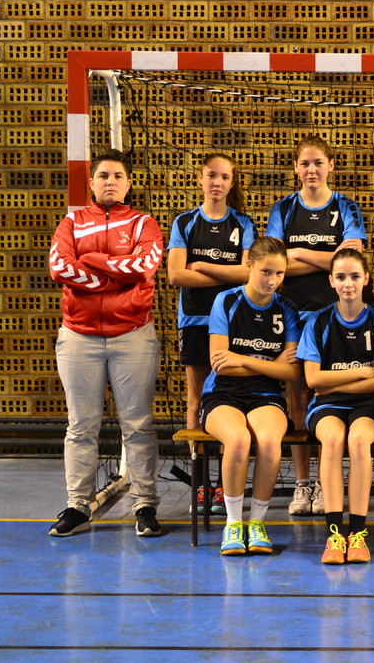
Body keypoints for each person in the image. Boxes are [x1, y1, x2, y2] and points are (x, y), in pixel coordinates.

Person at [48, 149, 164, 538]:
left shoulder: (144, 223)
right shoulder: (72, 222)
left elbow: (143, 267)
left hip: (133, 336)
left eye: (117, 176)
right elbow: (59, 267)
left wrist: (92, 261)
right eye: (103, 175)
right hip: (79, 337)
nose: (110, 181)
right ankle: (79, 506)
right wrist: (114, 275)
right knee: (81, 426)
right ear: (92, 182)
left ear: (128, 183)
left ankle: (145, 505)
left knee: (139, 425)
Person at [266, 135, 367, 517]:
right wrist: (327, 258)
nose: (311, 170)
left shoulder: (345, 206)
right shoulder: (283, 208)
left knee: (327, 397)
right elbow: (276, 264)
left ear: (330, 166)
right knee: (298, 400)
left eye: (318, 162)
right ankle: (303, 483)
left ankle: (326, 483)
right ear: (296, 168)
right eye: (305, 163)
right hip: (293, 316)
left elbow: (350, 260)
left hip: (334, 318)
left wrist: (300, 252)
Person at [167, 152, 257, 516]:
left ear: (232, 183)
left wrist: (202, 265)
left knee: (228, 402)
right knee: (196, 401)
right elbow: (176, 275)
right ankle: (202, 485)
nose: (217, 182)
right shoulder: (185, 222)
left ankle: (223, 486)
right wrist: (225, 271)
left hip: (233, 324)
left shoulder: (243, 223)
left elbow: (248, 274)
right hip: (194, 321)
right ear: (200, 178)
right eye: (211, 175)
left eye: (224, 177)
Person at [201, 237, 301, 555]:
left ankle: (257, 523)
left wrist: (243, 359)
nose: (272, 280)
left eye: (279, 273)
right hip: (222, 394)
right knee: (238, 440)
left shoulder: (286, 309)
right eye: (265, 271)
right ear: (249, 266)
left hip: (265, 395)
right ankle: (233, 524)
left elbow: (291, 373)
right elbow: (221, 364)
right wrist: (271, 365)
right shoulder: (226, 301)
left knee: (270, 442)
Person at [296, 249, 374, 564]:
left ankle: (357, 534)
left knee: (358, 439)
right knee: (332, 439)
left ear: (366, 278)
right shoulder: (317, 321)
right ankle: (334, 535)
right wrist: (362, 371)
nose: (348, 283)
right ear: (331, 281)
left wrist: (333, 382)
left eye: (354, 276)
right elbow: (313, 380)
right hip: (327, 405)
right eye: (341, 277)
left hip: (371, 405)